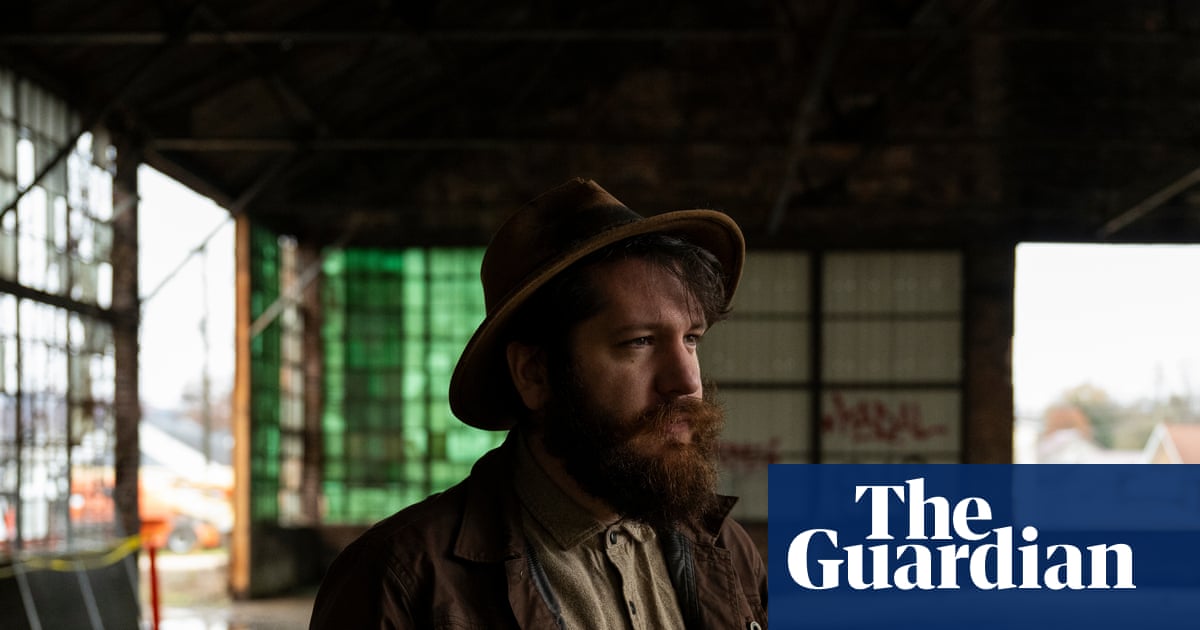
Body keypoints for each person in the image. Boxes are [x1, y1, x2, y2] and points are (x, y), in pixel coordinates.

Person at [309, 178, 766, 629]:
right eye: (639, 341)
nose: (687, 382)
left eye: (691, 339)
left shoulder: (727, 550)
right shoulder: (402, 583)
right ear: (535, 373)